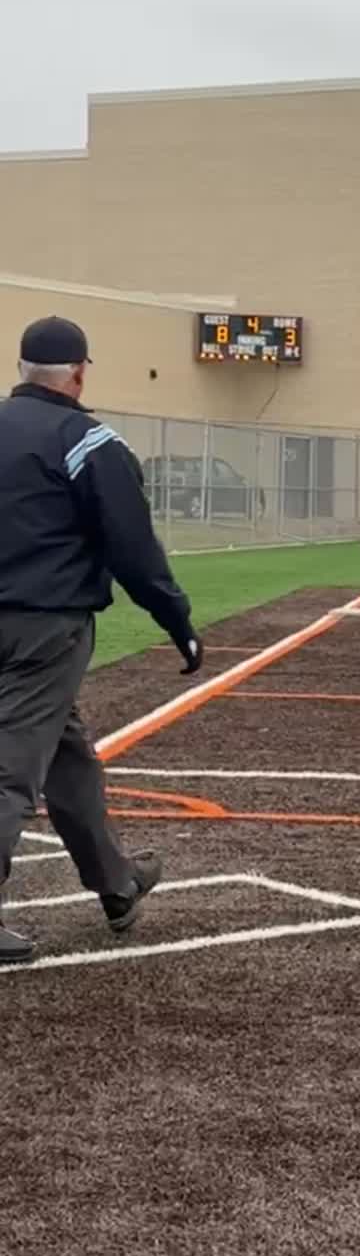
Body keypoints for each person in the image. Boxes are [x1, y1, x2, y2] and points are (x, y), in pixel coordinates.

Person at [0, 316, 203, 965]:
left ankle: (117, 883)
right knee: (12, 768)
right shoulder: (86, 440)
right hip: (44, 627)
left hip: (26, 628)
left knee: (67, 756)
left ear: (22, 368)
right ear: (79, 374)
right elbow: (132, 548)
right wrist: (176, 621)